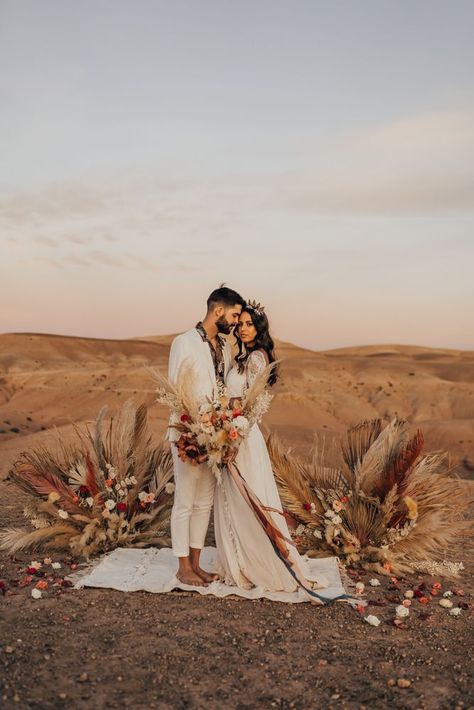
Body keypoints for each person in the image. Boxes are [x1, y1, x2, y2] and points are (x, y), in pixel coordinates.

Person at [214, 299, 329, 595]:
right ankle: (238, 564)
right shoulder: (244, 356)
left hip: (243, 439)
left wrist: (233, 431)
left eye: (249, 325)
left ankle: (254, 565)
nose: (243, 329)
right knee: (234, 500)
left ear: (260, 328)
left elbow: (253, 406)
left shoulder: (257, 359)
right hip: (232, 433)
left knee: (245, 500)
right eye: (240, 324)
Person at [167, 285, 244, 586]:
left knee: (204, 503)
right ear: (219, 310)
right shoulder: (183, 342)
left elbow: (222, 388)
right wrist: (190, 430)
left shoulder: (224, 347)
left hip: (216, 436)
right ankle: (182, 567)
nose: (236, 322)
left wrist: (223, 428)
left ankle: (196, 565)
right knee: (185, 502)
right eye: (234, 315)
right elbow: (176, 390)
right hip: (187, 433)